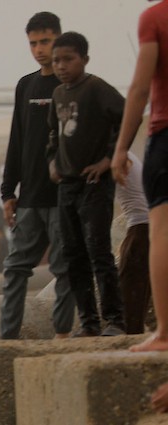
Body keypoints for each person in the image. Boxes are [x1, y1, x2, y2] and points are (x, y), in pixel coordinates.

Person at [0, 11, 75, 340]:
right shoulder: (26, 85)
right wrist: (7, 191)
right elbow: (17, 139)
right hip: (29, 198)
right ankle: (7, 338)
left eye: (45, 41)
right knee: (15, 269)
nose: (39, 49)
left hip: (62, 198)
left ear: (59, 38)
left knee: (64, 269)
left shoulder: (73, 84)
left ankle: (61, 334)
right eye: (33, 43)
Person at [48, 31, 127, 337]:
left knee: (98, 250)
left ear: (85, 59)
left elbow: (126, 119)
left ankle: (115, 320)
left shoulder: (96, 88)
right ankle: (89, 323)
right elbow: (52, 135)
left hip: (94, 183)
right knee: (73, 255)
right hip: (66, 186)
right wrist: (52, 162)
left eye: (68, 59)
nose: (61, 66)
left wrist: (110, 159)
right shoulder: (58, 95)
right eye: (57, 61)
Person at [115, 0, 168, 352]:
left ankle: (164, 333)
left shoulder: (155, 17)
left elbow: (139, 89)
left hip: (166, 134)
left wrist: (121, 148)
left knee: (161, 230)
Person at [116, 154, 152, 334]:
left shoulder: (114, 157)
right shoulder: (126, 155)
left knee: (130, 300)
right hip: (146, 227)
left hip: (141, 229)